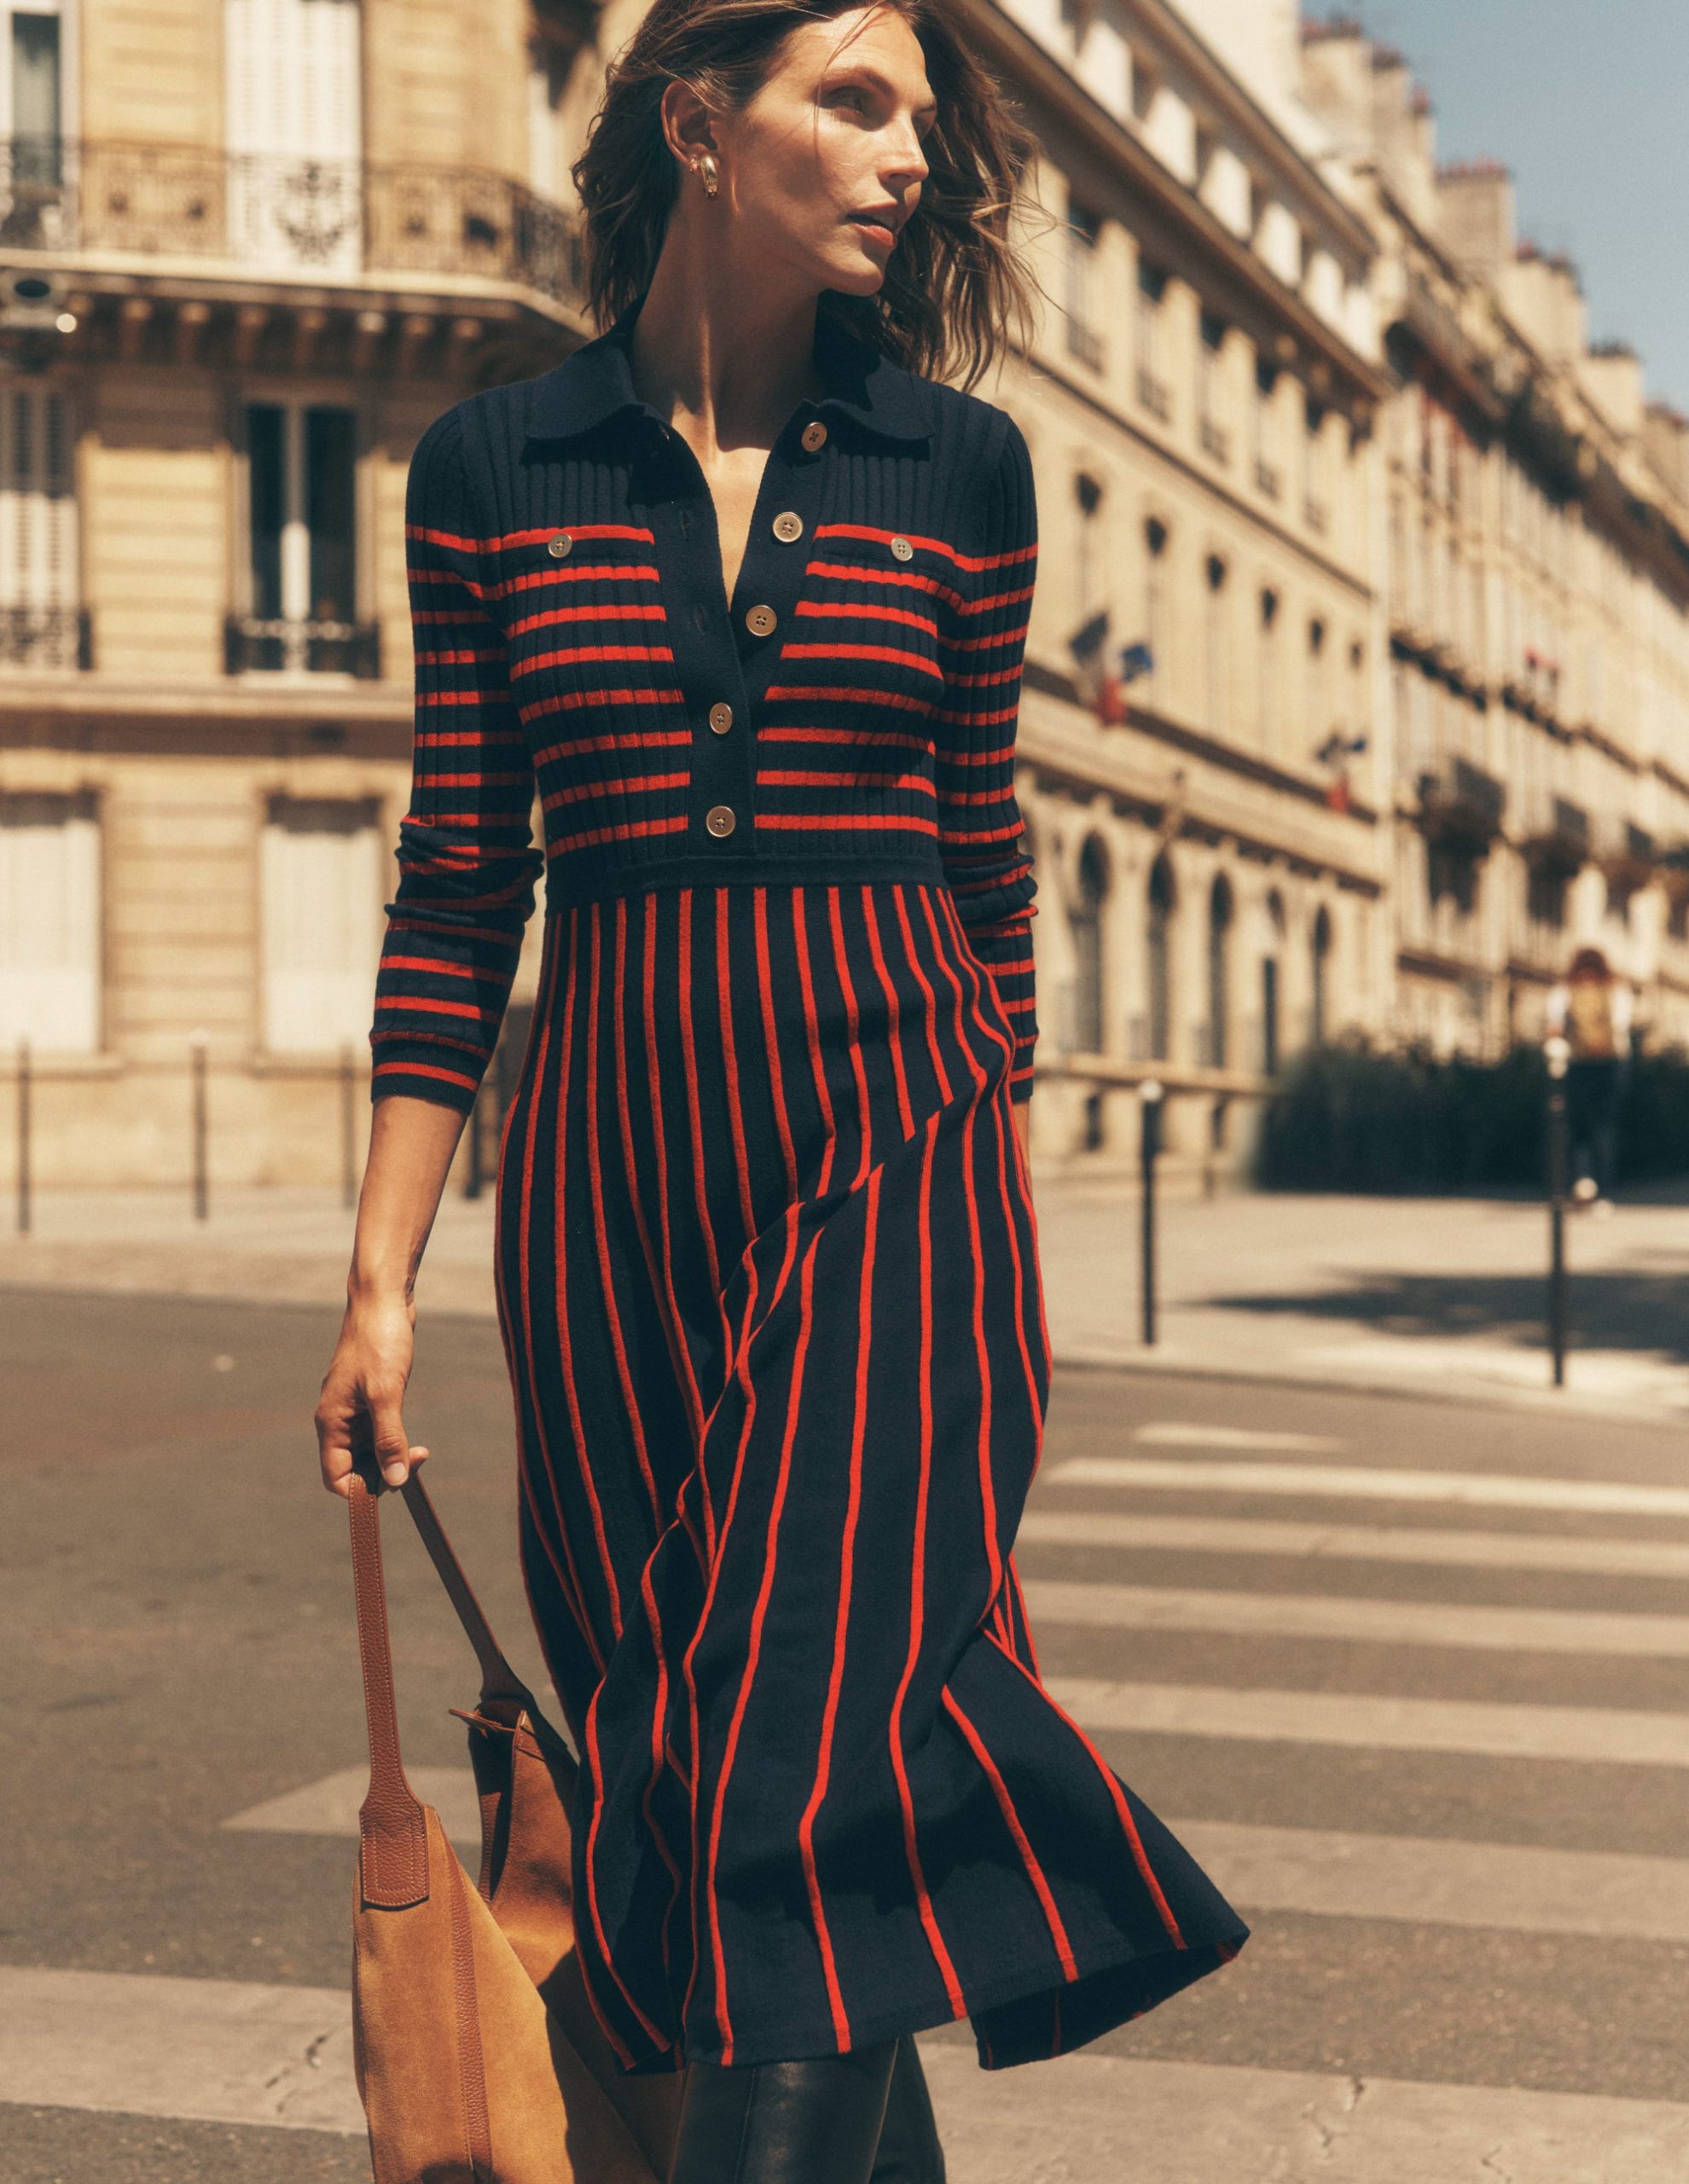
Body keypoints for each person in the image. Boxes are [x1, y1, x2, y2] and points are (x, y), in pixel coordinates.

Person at [314, 4, 1248, 2176]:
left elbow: (981, 868)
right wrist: (377, 1279)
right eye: (853, 99)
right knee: (703, 1787)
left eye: (920, 113)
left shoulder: (953, 466)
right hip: (608, 1194)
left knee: (788, 1772)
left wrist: (988, 1229)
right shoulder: (493, 468)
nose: (905, 150)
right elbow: (461, 886)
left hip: (894, 1154)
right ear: (693, 124)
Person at [1546, 945, 1633, 1213]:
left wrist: (1556, 1058)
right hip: (1608, 1066)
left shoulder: (1564, 992)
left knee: (1575, 1129)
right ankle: (1602, 1194)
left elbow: (1554, 1028)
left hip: (1576, 1066)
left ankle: (1579, 1184)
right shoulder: (1617, 992)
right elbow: (1622, 1030)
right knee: (1603, 1130)